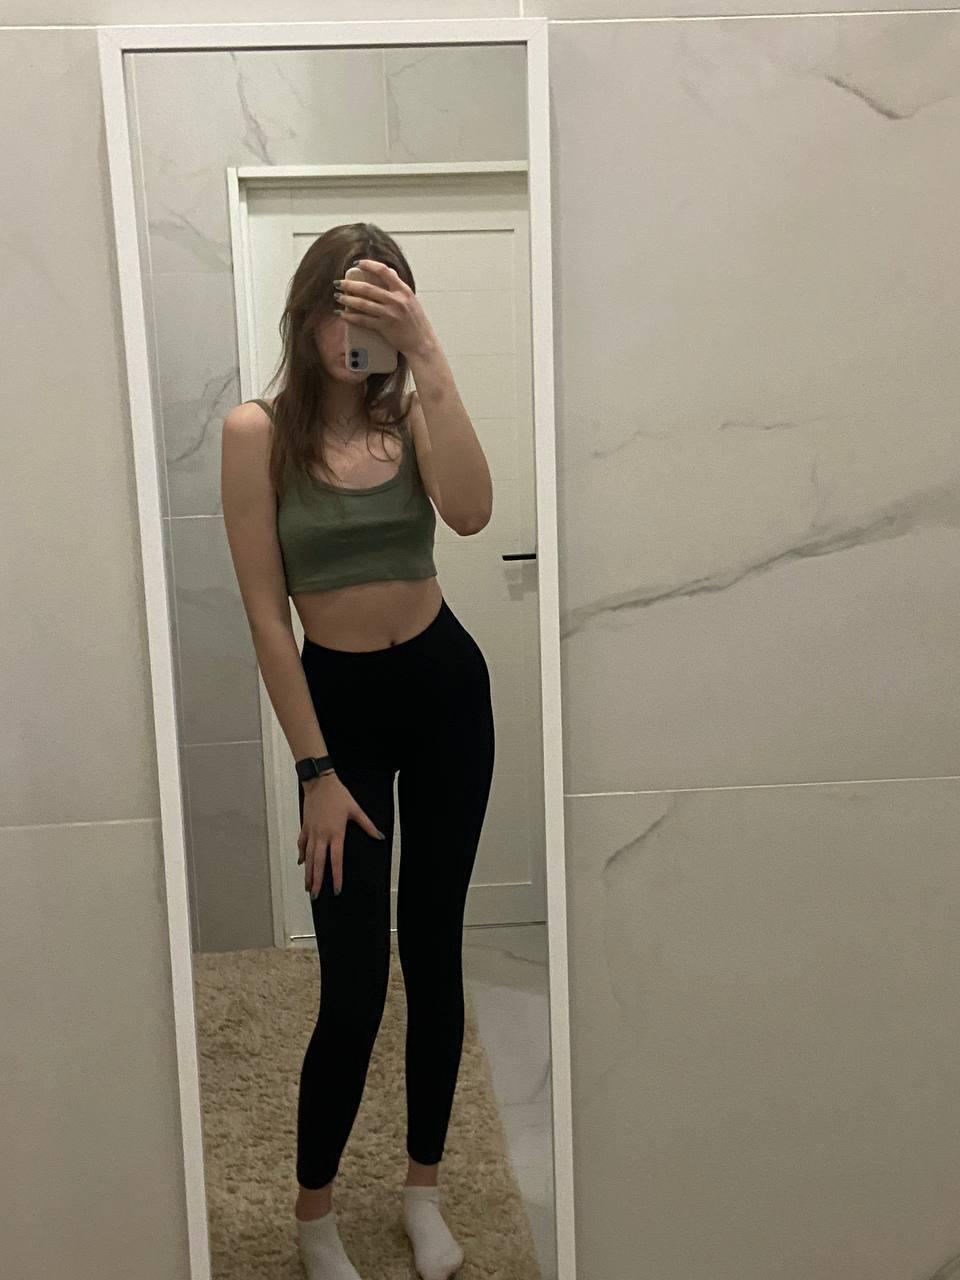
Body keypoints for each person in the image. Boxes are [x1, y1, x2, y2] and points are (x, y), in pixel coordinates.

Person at [220, 223, 495, 1280]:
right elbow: (264, 612)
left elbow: (471, 513)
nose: (355, 334)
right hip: (338, 713)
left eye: (381, 311)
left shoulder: (413, 412)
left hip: (446, 691)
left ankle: (423, 1191)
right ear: (306, 315)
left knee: (434, 951)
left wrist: (429, 354)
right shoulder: (256, 433)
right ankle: (314, 1216)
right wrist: (316, 771)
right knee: (352, 981)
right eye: (342, 311)